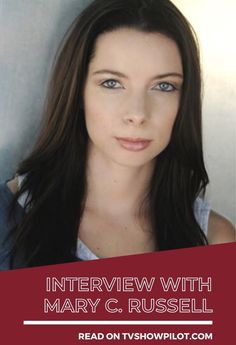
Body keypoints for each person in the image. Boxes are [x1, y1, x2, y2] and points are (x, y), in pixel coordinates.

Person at [0, 0, 235, 270]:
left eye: (164, 86)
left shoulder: (214, 242)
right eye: (112, 83)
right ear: (78, 91)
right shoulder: (8, 219)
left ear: (185, 101)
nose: (137, 113)